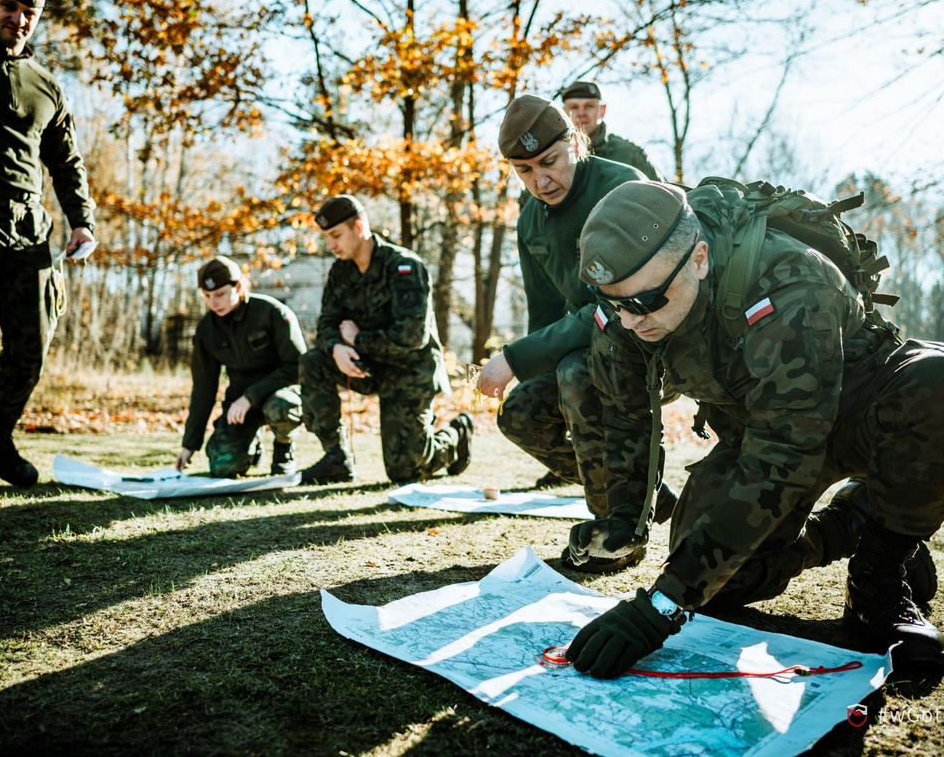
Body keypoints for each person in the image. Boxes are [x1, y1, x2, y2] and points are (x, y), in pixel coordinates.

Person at [565, 179, 944, 678]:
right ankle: (851, 523)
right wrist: (622, 523)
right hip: (760, 429)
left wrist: (662, 607)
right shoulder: (626, 311)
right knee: (720, 580)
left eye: (647, 302)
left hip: (864, 411)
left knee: (935, 385)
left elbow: (787, 453)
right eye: (613, 301)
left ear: (699, 259)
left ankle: (881, 569)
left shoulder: (789, 280)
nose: (630, 321)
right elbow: (626, 418)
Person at [476, 94, 675, 570]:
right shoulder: (530, 219)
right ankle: (641, 488)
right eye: (523, 171)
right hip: (583, 347)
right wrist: (526, 370)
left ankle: (615, 532)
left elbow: (615, 304)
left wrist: (515, 357)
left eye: (549, 162)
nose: (540, 180)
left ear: (577, 143)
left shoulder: (621, 186)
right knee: (521, 412)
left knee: (574, 373)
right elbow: (545, 313)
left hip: (652, 341)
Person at [0, 0, 97, 511]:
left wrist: (82, 220)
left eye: (29, 13)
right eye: (10, 7)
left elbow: (67, 161)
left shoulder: (46, 84)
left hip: (29, 226)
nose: (20, 19)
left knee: (33, 341)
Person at [298, 194, 472, 485]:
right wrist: (336, 347)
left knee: (405, 471)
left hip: (410, 370)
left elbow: (412, 336)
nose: (331, 245)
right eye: (328, 238)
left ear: (359, 227)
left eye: (336, 235)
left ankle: (456, 435)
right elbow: (327, 322)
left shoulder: (403, 266)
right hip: (368, 366)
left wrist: (357, 338)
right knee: (312, 361)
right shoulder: (340, 271)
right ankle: (336, 458)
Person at [176, 256, 306, 478]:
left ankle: (284, 448)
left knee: (280, 408)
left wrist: (251, 397)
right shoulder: (207, 330)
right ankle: (251, 444)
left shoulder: (272, 313)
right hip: (239, 405)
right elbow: (203, 388)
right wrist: (189, 444)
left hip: (281, 392)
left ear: (238, 286)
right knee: (222, 466)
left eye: (220, 294)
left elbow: (297, 367)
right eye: (207, 296)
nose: (213, 302)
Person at [560, 80, 666, 182]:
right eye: (574, 107)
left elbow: (665, 194)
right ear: (563, 112)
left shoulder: (628, 153)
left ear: (602, 110)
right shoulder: (554, 154)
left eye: (589, 106)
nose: (581, 113)